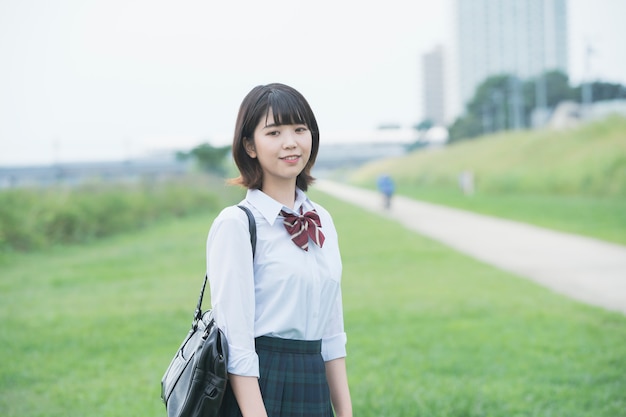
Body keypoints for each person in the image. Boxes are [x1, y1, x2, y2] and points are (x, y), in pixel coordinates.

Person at [206, 83, 353, 417]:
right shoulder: (237, 224)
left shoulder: (322, 220)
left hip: (313, 382)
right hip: (259, 388)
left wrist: (344, 412)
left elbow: (331, 332)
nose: (291, 142)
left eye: (300, 129)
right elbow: (235, 342)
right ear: (250, 145)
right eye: (274, 132)